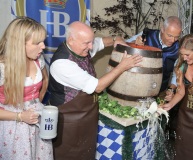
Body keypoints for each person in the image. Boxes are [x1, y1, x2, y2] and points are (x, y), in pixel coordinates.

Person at [47, 21, 142, 160]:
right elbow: (97, 87)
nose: (91, 47)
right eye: (86, 43)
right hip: (68, 124)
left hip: (85, 119)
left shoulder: (82, 46)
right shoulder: (62, 64)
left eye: (91, 42)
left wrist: (116, 39)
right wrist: (122, 66)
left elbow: (101, 42)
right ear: (71, 40)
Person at [0, 17, 53, 159]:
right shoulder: (2, 68)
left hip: (38, 122)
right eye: (37, 42)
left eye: (43, 41)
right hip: (13, 126)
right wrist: (20, 116)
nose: (43, 46)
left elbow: (45, 81)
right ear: (19, 44)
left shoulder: (38, 60)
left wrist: (37, 105)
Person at [127, 16, 182, 93]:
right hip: (136, 86)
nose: (172, 40)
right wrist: (134, 43)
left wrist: (171, 89)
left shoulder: (178, 49)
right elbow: (122, 45)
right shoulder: (147, 34)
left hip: (159, 91)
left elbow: (176, 74)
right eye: (169, 35)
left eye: (176, 37)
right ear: (162, 29)